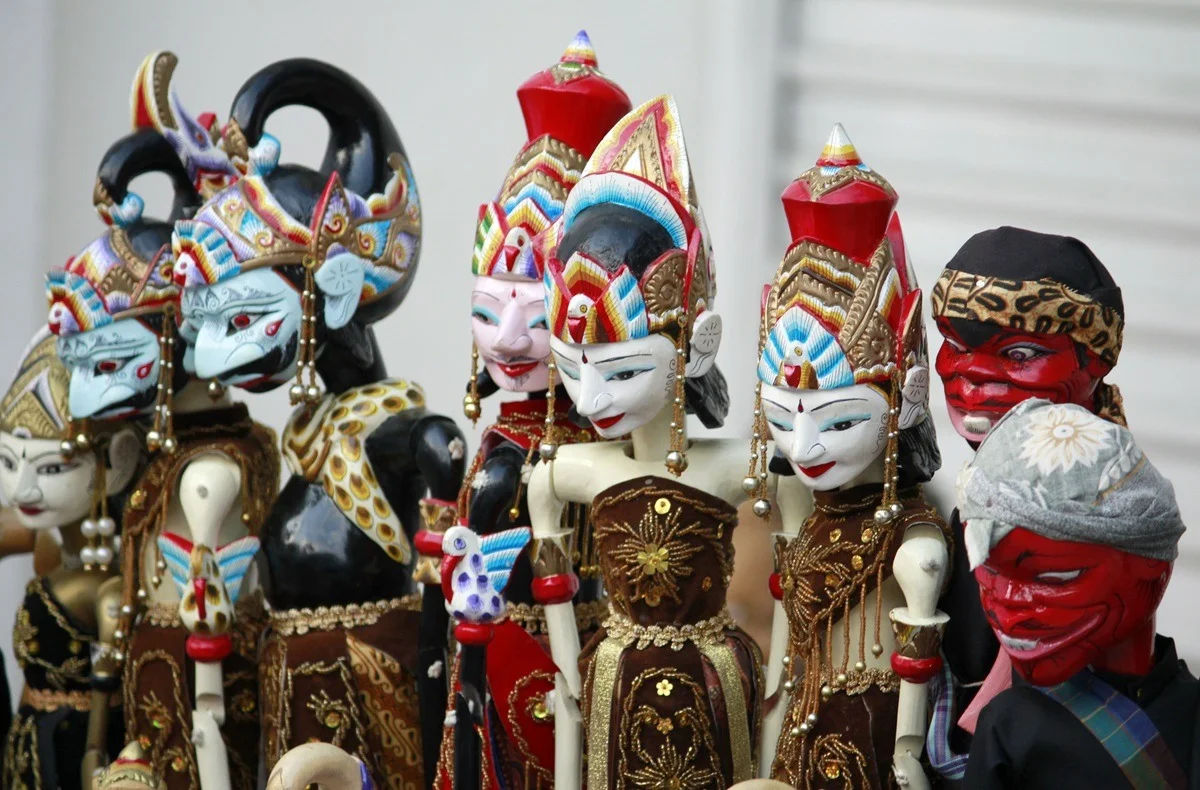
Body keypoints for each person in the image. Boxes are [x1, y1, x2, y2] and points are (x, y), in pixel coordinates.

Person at [171, 57, 465, 785]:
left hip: (373, 693)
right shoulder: (307, 438)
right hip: (295, 689)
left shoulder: (396, 434)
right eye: (206, 319)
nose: (209, 350)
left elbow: (438, 456)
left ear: (326, 295)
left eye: (241, 316)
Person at [528, 94, 762, 788]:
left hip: (717, 679)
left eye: (624, 370)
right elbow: (555, 594)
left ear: (696, 346)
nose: (592, 400)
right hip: (609, 680)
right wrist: (569, 679)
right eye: (571, 371)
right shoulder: (566, 468)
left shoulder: (743, 466)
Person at [429, 31, 630, 788]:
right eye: (488, 310)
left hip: (554, 674)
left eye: (537, 316)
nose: (507, 341)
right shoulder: (502, 432)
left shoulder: (595, 445)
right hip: (483, 661)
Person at [755, 124, 948, 788]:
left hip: (869, 745)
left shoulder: (915, 541)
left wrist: (904, 761)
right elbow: (785, 657)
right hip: (794, 738)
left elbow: (917, 698)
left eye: (837, 419)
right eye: (780, 419)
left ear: (907, 398)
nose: (803, 446)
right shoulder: (800, 509)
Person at [927, 227, 1126, 777]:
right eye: (957, 344)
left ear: (1095, 361)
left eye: (1019, 353)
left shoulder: (1104, 510)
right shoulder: (971, 492)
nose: (973, 376)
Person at [958, 399, 1195, 788]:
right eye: (989, 571)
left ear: (1153, 563)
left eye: (1055, 576)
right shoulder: (1010, 723)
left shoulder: (1017, 725)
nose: (1011, 603)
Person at [0, 330, 142, 789]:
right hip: (27, 739)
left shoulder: (111, 583)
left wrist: (96, 761)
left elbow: (107, 689)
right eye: (6, 462)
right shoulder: (45, 540)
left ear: (119, 461)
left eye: (52, 468)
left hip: (76, 748)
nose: (23, 489)